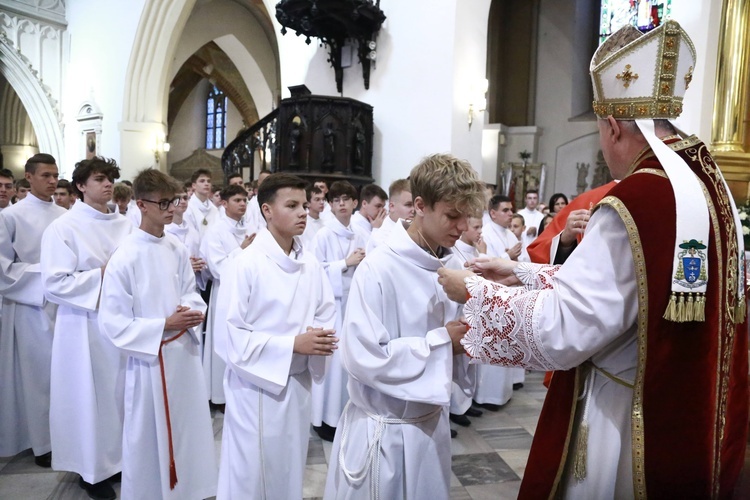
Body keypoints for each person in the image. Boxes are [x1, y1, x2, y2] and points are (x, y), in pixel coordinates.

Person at [436, 21, 749, 498]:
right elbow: (633, 290)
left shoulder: (635, 201)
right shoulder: (707, 181)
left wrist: (476, 292)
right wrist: (522, 273)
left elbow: (568, 328)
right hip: (688, 407)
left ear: (612, 125)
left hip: (625, 413)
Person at [324, 153, 484, 499]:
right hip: (383, 433)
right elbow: (363, 356)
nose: (460, 227)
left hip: (430, 429)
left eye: (466, 217)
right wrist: (445, 342)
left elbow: (461, 353)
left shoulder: (455, 266)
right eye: (452, 216)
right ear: (421, 206)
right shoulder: (379, 267)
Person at [98, 168, 217, 500]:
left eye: (175, 200)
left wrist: (192, 312)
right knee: (149, 439)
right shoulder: (125, 257)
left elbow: (190, 293)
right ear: (141, 205)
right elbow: (113, 324)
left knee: (188, 432)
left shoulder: (176, 247)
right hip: (150, 363)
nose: (172, 208)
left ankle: (190, 491)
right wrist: (163, 324)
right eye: (164, 202)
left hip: (184, 358)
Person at [216, 173, 337, 499]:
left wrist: (318, 335)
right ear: (267, 211)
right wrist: (292, 345)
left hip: (297, 385)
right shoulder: (245, 264)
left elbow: (325, 311)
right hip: (257, 390)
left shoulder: (309, 263)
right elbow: (229, 337)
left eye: (303, 204)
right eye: (292, 205)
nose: (303, 212)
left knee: (288, 470)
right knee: (253, 474)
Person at [41, 157, 132, 500]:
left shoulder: (125, 224)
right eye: (99, 179)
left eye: (110, 178)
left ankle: (120, 459)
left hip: (122, 322)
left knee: (119, 394)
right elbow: (54, 283)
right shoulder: (64, 228)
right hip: (84, 325)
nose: (107, 184)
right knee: (88, 399)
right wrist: (102, 275)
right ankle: (91, 470)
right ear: (81, 186)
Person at [0, 154, 66, 467]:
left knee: (62, 374)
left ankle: (64, 435)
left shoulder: (64, 214)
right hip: (30, 305)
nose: (53, 181)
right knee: (37, 376)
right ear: (29, 177)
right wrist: (47, 276)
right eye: (46, 175)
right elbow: (3, 268)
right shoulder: (11, 216)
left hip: (64, 304)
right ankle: (42, 443)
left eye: (55, 175)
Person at [311, 180, 368, 441]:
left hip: (354, 302)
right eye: (336, 200)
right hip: (332, 305)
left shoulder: (360, 232)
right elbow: (314, 271)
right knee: (332, 362)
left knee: (350, 360)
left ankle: (347, 414)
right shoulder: (323, 234)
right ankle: (325, 420)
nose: (341, 204)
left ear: (355, 203)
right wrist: (345, 263)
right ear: (330, 206)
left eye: (346, 199)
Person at [200, 185, 254, 409]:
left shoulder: (249, 227)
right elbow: (217, 267)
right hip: (224, 293)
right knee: (223, 340)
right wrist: (241, 250)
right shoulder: (215, 230)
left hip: (245, 294)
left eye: (244, 200)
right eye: (237, 200)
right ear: (224, 203)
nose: (242, 204)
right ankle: (220, 395)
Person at [366, 178, 415, 253]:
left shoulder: (413, 229)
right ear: (391, 206)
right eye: (408, 205)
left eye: (416, 205)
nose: (414, 210)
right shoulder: (381, 238)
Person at [185, 168, 219, 237]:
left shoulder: (214, 209)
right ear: (194, 185)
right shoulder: (188, 208)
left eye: (208, 181)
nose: (206, 184)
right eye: (202, 181)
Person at [300, 184, 326, 251]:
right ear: (308, 203)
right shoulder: (303, 223)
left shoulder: (325, 223)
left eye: (323, 199)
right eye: (317, 199)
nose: (322, 202)